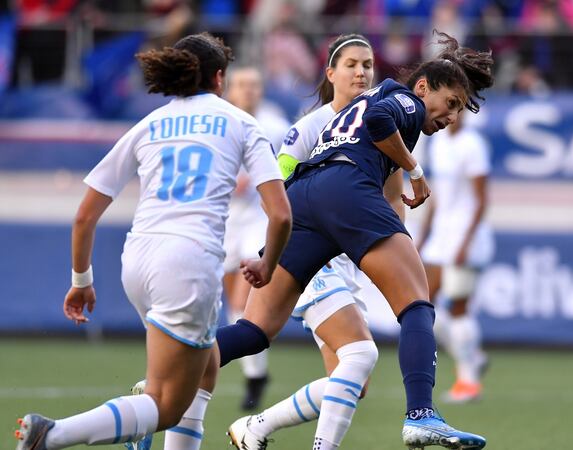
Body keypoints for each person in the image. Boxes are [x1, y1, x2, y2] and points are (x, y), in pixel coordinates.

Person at [214, 31, 494, 450]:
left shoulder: (369, 105)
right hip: (345, 189)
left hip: (306, 198)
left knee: (254, 330)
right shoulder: (405, 101)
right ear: (423, 87)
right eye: (450, 103)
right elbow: (380, 123)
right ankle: (421, 414)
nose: (451, 116)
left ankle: (165, 377)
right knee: (416, 305)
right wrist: (416, 171)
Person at [13, 33, 292, 450]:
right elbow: (282, 213)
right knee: (166, 407)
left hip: (138, 261)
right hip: (188, 263)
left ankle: (131, 422)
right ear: (219, 78)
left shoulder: (149, 124)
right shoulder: (241, 122)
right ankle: (53, 434)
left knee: (206, 365)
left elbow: (84, 215)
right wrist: (268, 263)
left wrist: (81, 279)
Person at [227, 33, 390, 450]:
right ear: (331, 73)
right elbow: (277, 189)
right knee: (359, 354)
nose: (361, 71)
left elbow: (390, 200)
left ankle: (255, 427)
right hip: (310, 257)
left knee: (354, 381)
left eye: (368, 65)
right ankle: (173, 376)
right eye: (352, 64)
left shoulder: (381, 128)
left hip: (345, 261)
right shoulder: (309, 127)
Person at [223, 65, 291, 411]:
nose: (248, 90)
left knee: (241, 299)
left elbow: (291, 165)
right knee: (229, 299)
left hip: (259, 220)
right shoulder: (221, 119)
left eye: (254, 85)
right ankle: (256, 372)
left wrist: (264, 180)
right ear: (229, 88)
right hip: (225, 219)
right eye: (242, 85)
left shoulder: (275, 125)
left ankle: (253, 374)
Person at [416, 111, 493, 404]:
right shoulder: (438, 142)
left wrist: (466, 242)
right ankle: (472, 355)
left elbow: (482, 199)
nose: (451, 114)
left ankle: (468, 382)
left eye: (457, 107)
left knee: (459, 307)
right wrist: (424, 234)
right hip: (441, 237)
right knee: (423, 304)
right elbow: (437, 195)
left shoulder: (472, 145)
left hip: (465, 238)